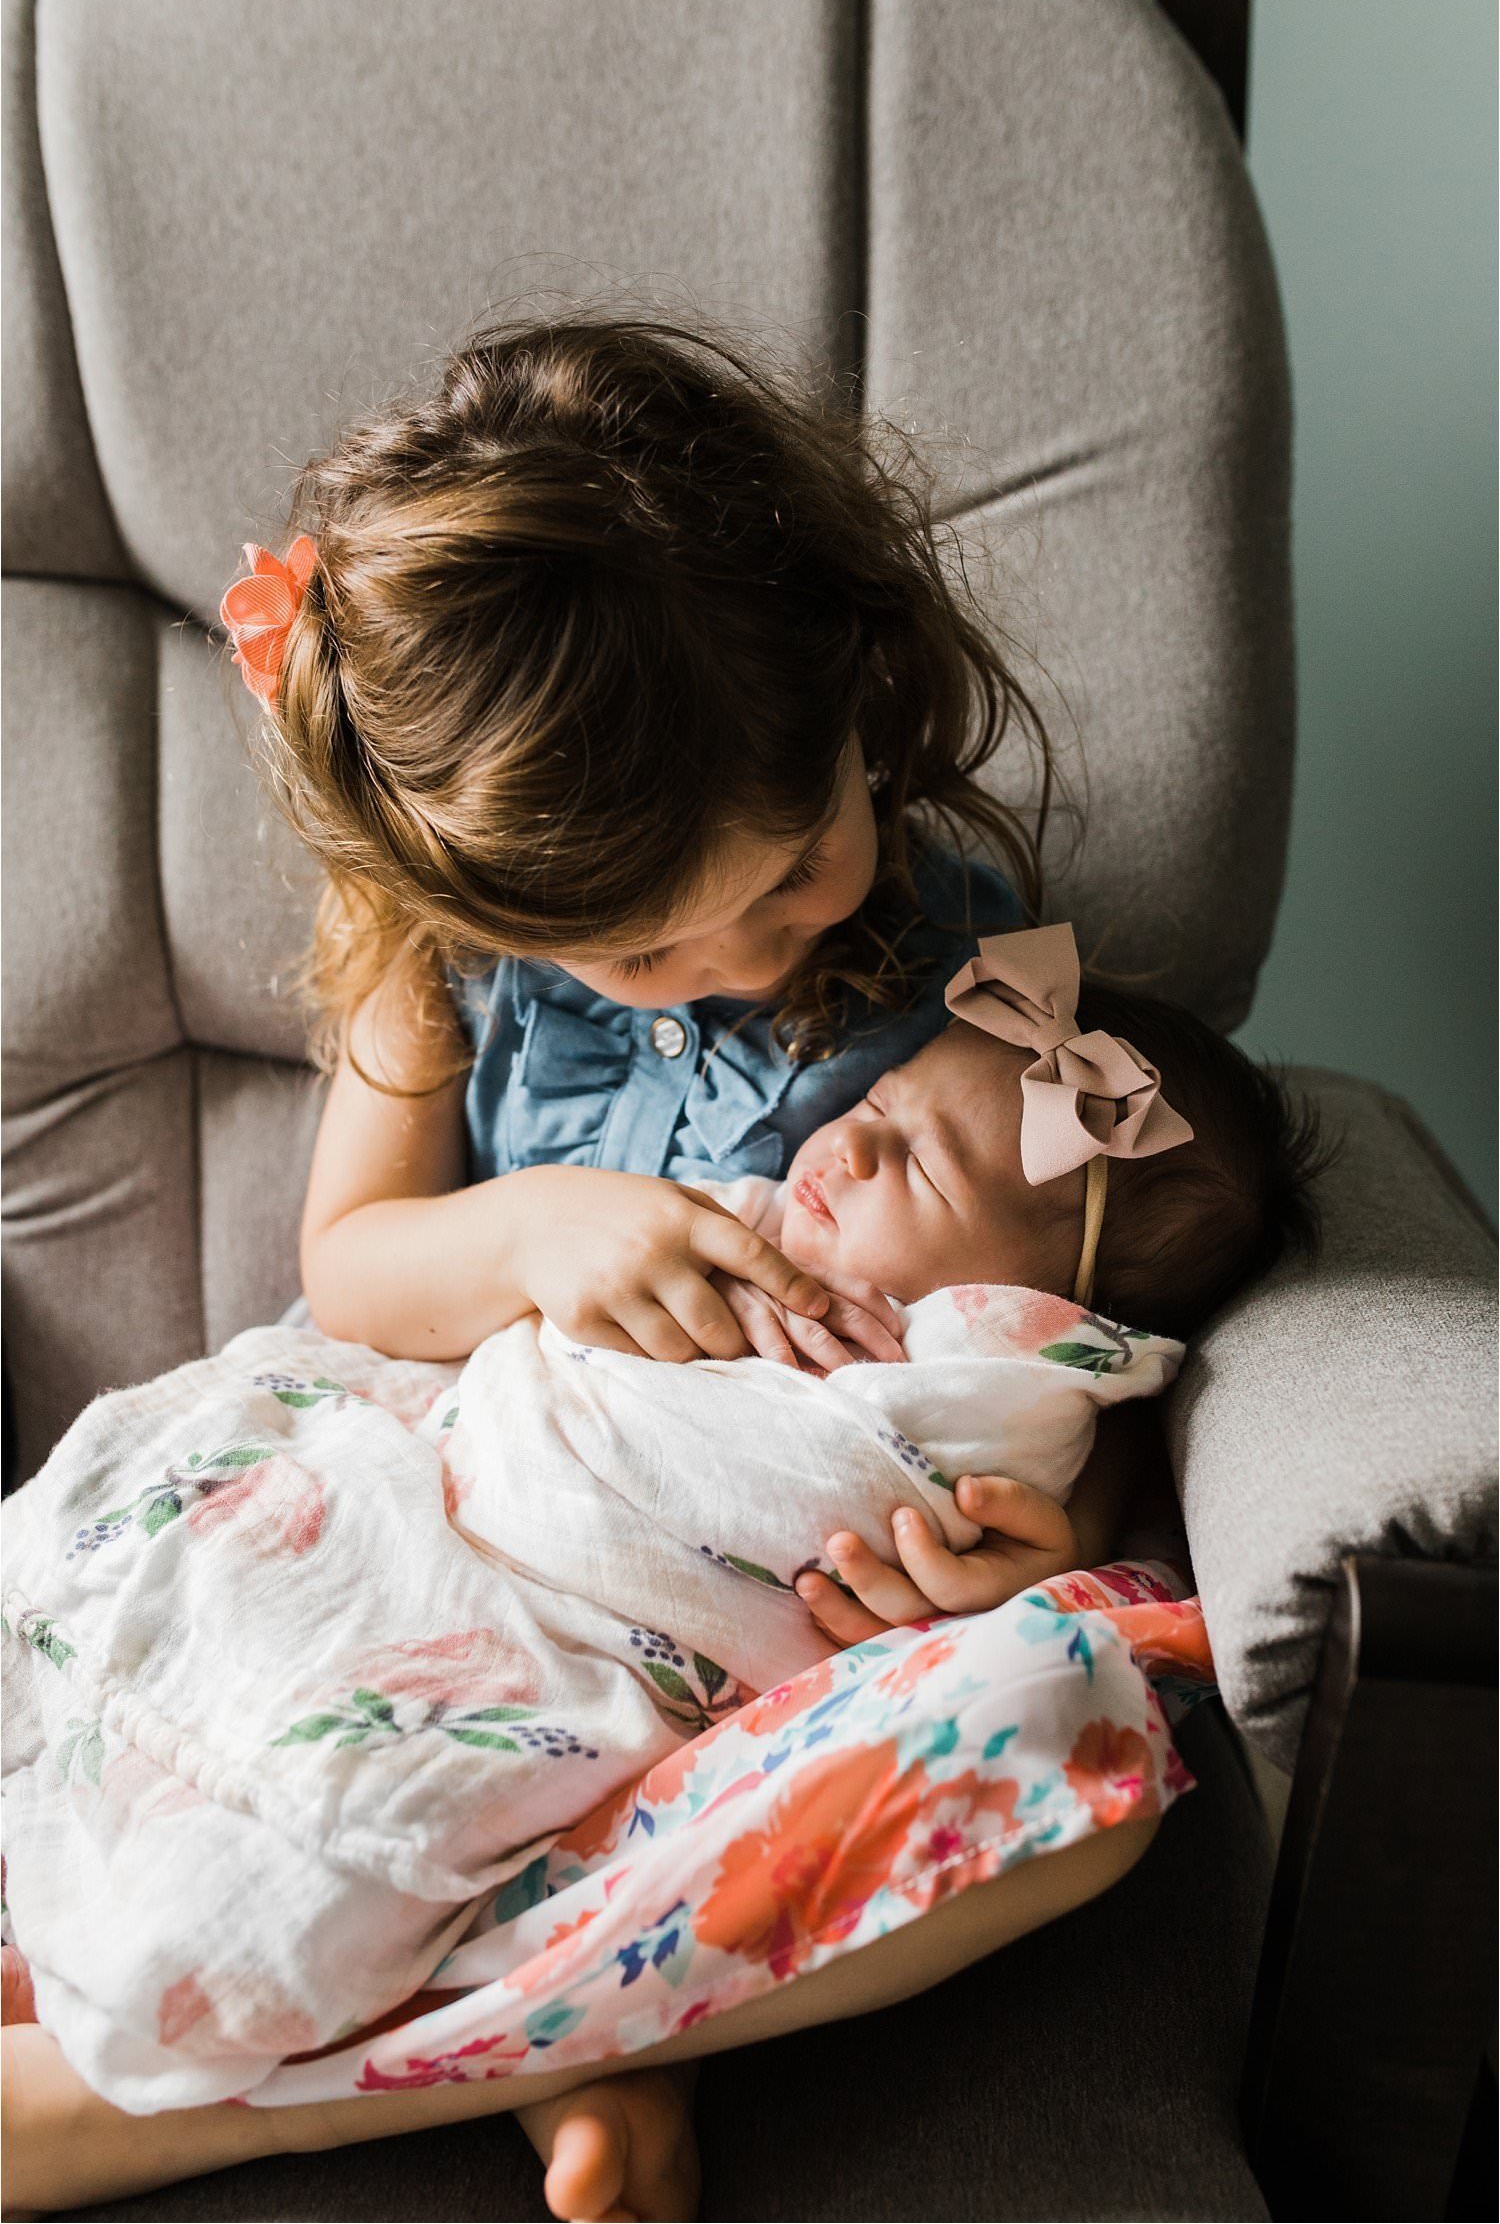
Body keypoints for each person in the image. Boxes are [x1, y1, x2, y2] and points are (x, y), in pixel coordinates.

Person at [0, 318, 1257, 2222]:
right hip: (433, 1493)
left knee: (1071, 1737)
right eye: (647, 959)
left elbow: (1055, 1317)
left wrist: (1018, 1542)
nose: (749, 963)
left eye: (790, 871)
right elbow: (353, 1269)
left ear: (858, 698)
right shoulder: (447, 953)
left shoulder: (984, 987)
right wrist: (532, 1227)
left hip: (685, 1635)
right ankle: (493, 2059)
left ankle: (504, 2022)